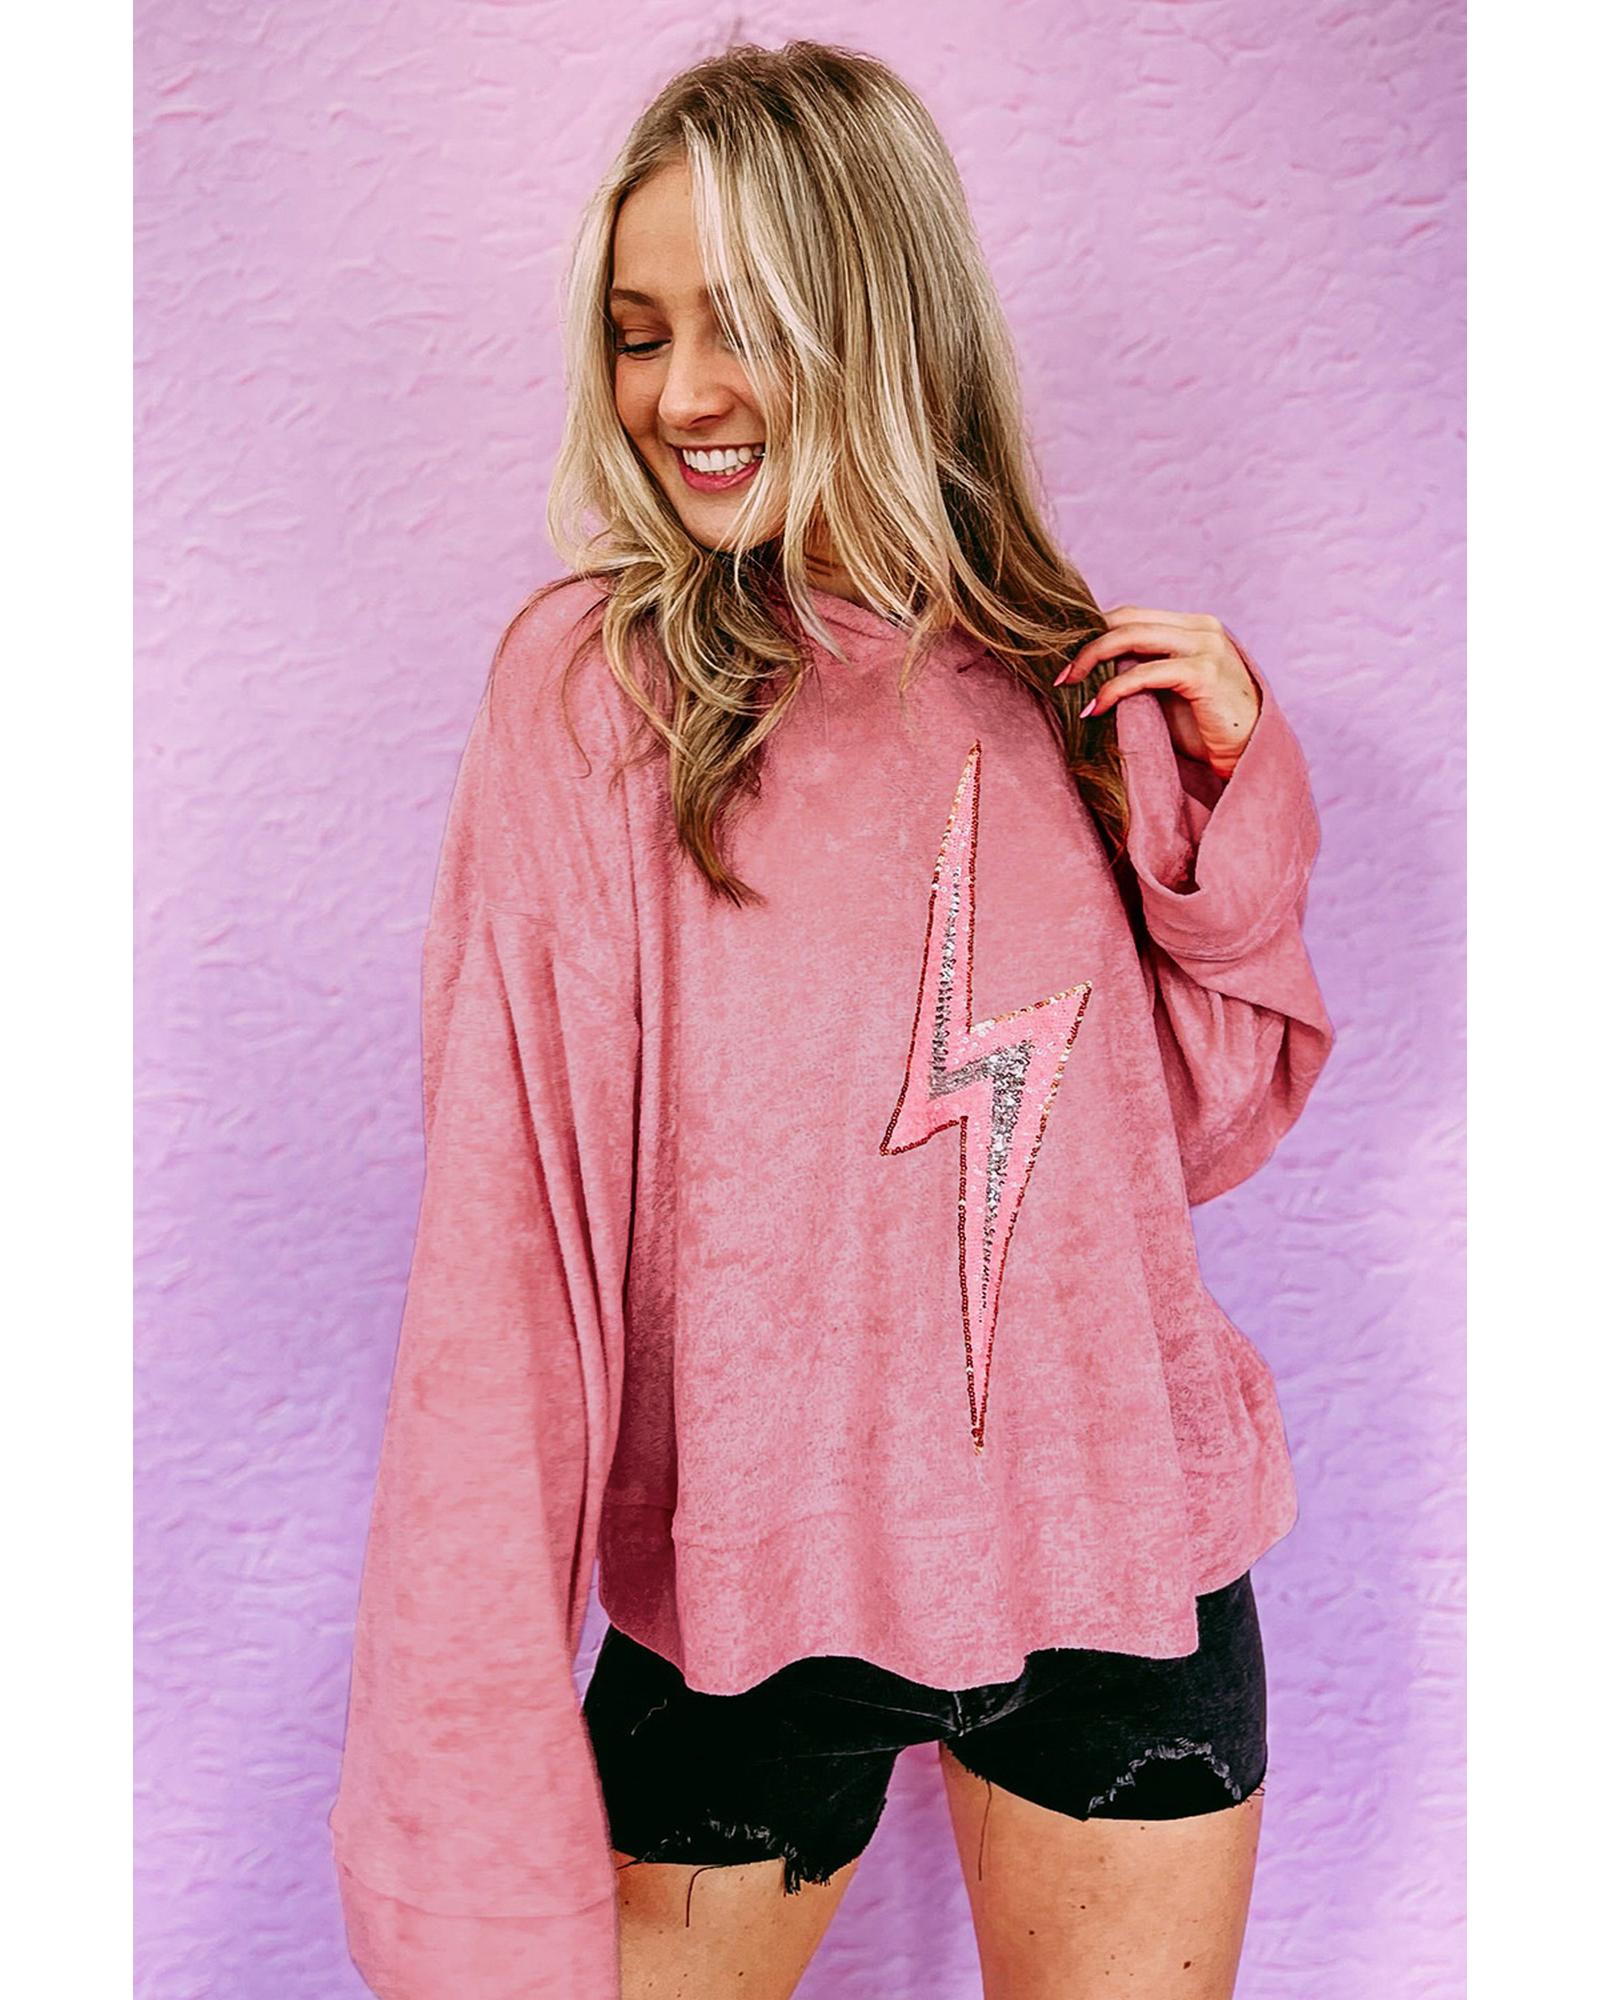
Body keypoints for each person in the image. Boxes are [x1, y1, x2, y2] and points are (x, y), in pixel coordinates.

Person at [327, 38, 1336, 2000]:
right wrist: (465, 1764)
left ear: (889, 321)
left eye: (742, 325)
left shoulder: (1062, 679)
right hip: (746, 1602)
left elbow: (1188, 1140)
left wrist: (1227, 804)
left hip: (1121, 1574)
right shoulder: (593, 697)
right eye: (638, 335)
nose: (679, 395)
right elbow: (502, 1264)